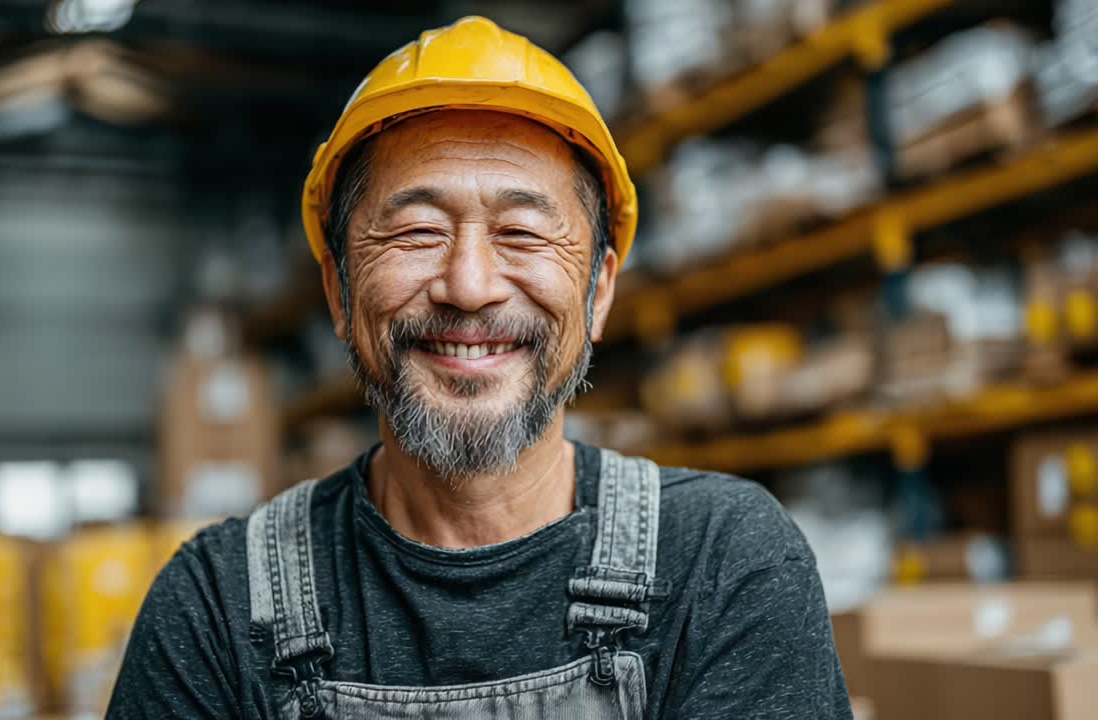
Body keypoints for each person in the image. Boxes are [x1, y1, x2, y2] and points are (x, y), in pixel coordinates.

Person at [109, 16, 851, 720]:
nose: (469, 286)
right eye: (417, 231)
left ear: (598, 293)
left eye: (522, 233)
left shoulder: (723, 564)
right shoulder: (217, 607)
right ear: (339, 292)